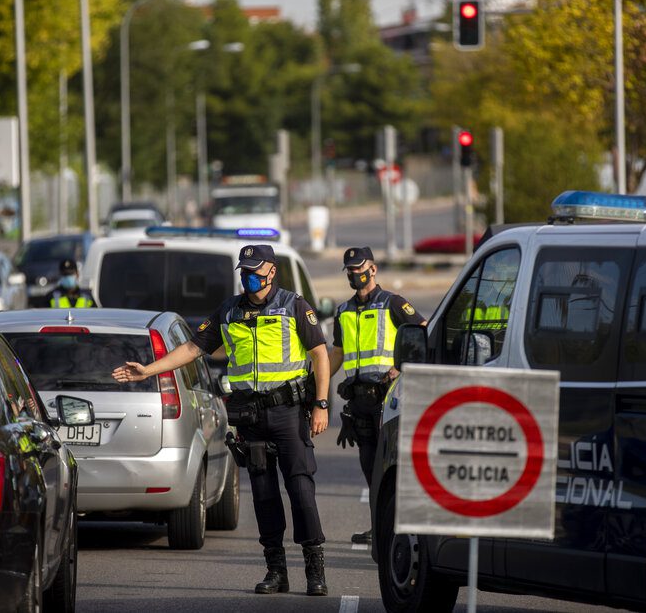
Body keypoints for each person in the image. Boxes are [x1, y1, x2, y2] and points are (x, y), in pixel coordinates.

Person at [112, 243, 331, 596]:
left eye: (255, 272)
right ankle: (276, 570)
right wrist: (147, 371)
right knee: (264, 495)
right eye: (244, 272)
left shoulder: (294, 306)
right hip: (250, 415)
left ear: (272, 271)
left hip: (288, 412)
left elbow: (320, 354)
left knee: (301, 490)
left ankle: (314, 567)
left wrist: (320, 405)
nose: (249, 278)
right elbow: (193, 348)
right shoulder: (229, 310)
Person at [329, 246, 426, 545]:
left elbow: (423, 333)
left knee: (389, 469)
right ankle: (378, 527)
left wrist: (401, 367)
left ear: (373, 269)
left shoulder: (393, 303)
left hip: (388, 399)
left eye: (360, 268)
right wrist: (316, 384)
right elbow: (337, 354)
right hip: (359, 401)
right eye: (350, 270)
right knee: (370, 469)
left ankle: (398, 528)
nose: (355, 274)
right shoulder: (343, 311)